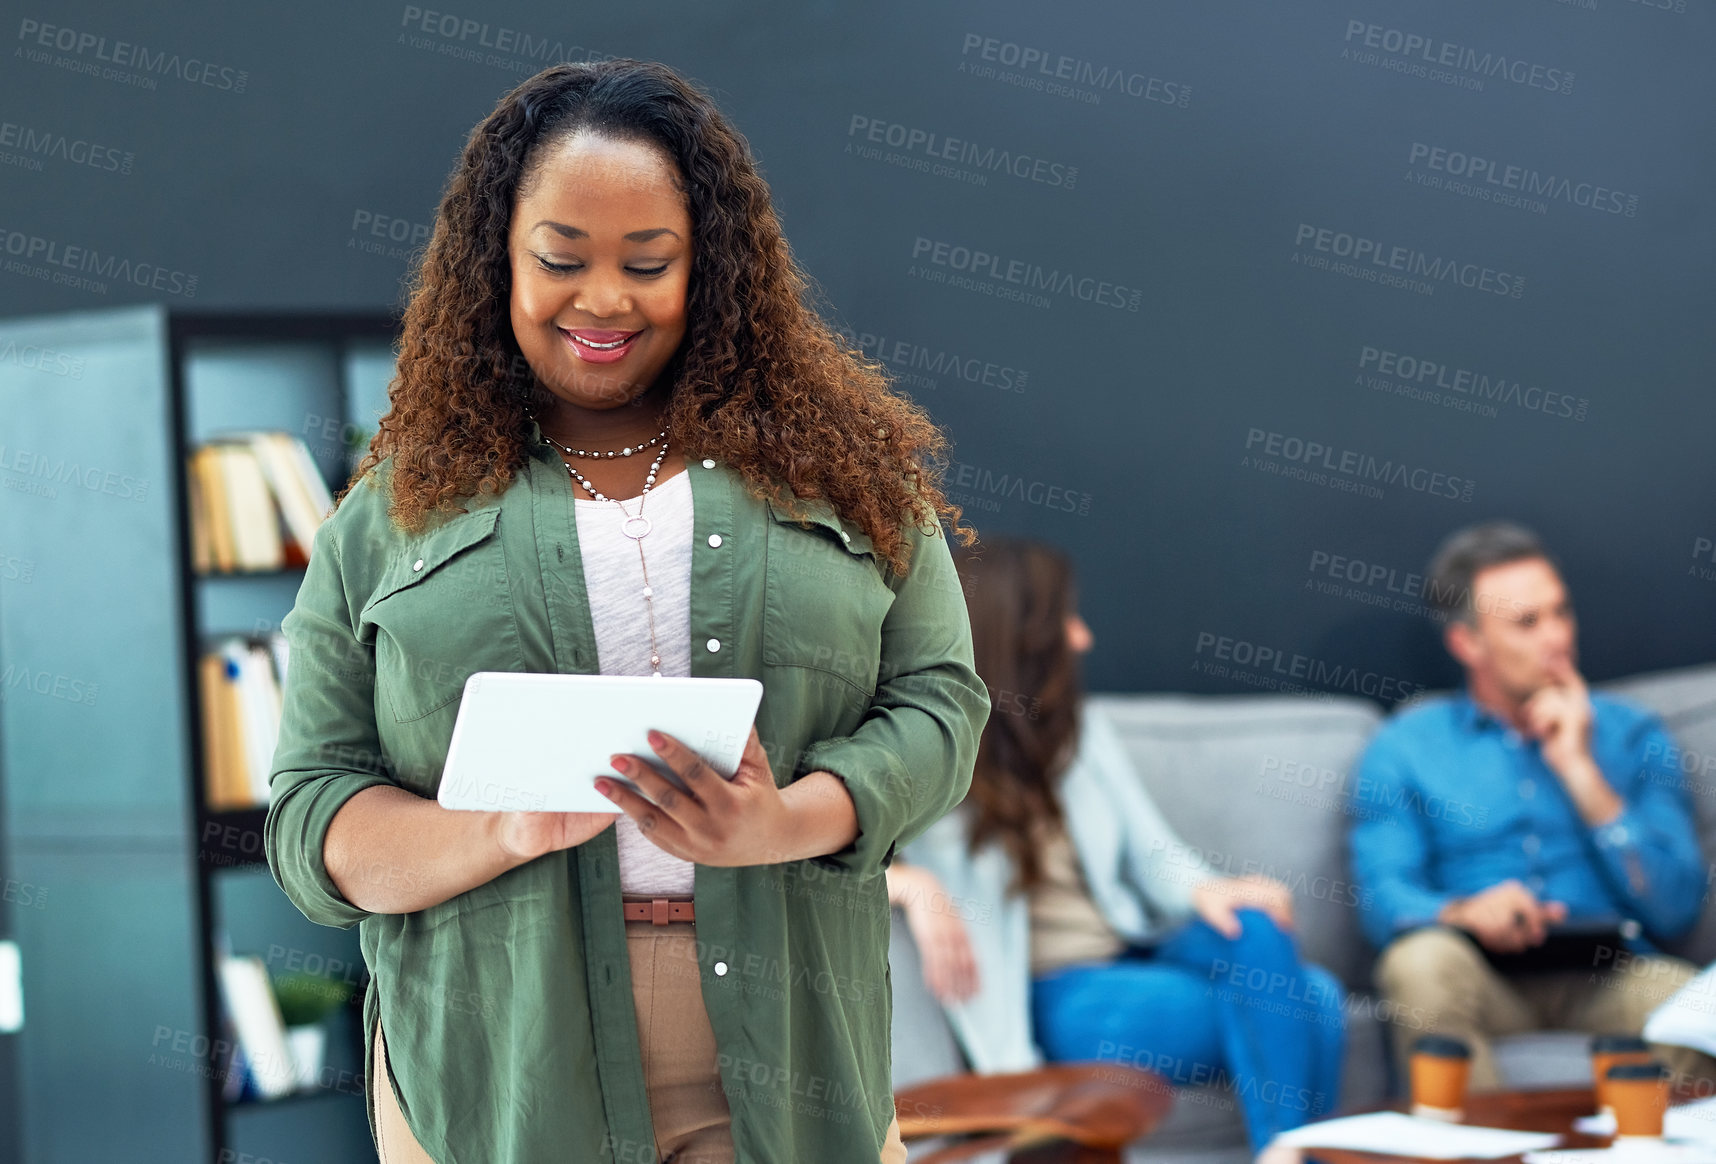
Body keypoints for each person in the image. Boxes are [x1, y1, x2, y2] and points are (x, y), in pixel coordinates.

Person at [262, 59, 992, 1164]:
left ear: (714, 273)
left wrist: (786, 822)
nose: (604, 301)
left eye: (649, 264)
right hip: (493, 1062)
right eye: (561, 260)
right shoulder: (387, 515)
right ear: (493, 263)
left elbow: (942, 706)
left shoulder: (852, 482)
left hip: (791, 1053)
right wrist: (500, 829)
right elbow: (312, 818)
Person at [886, 537, 1346, 1160]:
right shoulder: (930, 750)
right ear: (1025, 635)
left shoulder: (1081, 730)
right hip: (1058, 993)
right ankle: (1295, 1151)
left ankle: (1283, 1153)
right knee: (1314, 1001)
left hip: (1132, 950)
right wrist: (911, 884)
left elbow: (1152, 851)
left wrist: (1207, 890)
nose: (1083, 639)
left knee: (1259, 927)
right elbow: (818, 848)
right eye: (1067, 620)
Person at [1349, 520, 1709, 1091]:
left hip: (1606, 976)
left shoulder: (1632, 734)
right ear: (1468, 643)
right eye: (1527, 622)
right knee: (1417, 965)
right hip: (1480, 976)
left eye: (1561, 613)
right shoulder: (1406, 746)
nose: (1556, 638)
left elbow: (1676, 907)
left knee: (1697, 1012)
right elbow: (1381, 898)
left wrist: (1580, 769)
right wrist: (1462, 913)